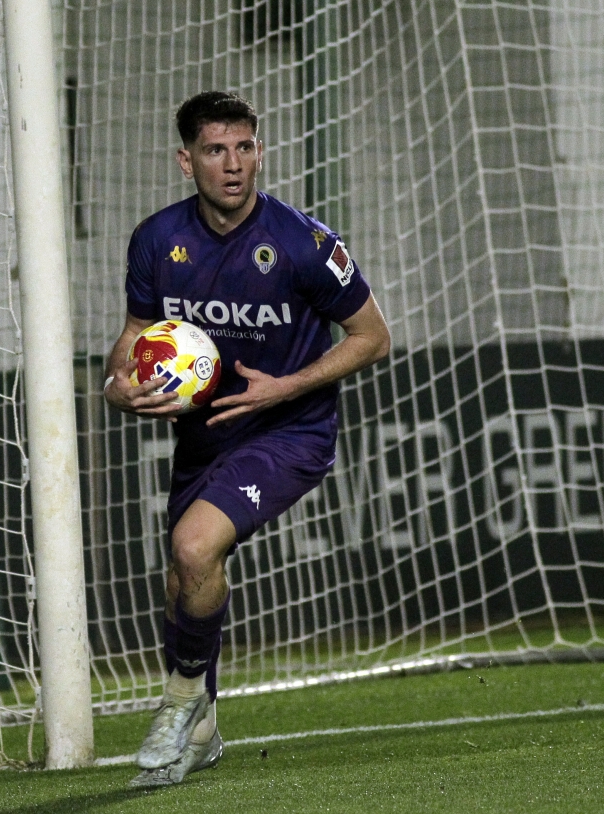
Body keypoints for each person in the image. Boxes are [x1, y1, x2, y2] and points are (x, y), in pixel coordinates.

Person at [103, 91, 391, 787]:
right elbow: (135, 338)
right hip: (205, 436)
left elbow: (373, 337)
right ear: (187, 161)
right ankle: (202, 732)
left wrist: (285, 387)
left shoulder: (304, 243)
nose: (233, 165)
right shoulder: (156, 241)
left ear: (259, 152)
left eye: (244, 148)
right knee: (183, 580)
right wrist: (118, 386)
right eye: (215, 150)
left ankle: (178, 703)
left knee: (193, 546)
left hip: (289, 430)